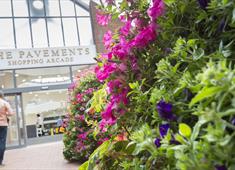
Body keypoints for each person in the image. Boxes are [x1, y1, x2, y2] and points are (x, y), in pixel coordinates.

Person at [0, 91, 14, 166]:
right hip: (3, 124)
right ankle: (0, 161)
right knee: (2, 142)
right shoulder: (4, 103)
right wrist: (5, 113)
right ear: (2, 95)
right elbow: (11, 113)